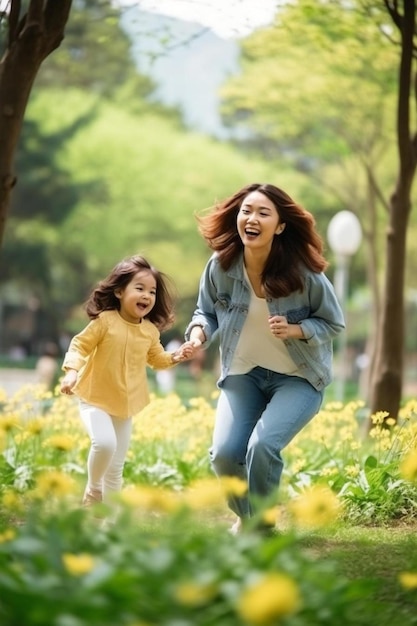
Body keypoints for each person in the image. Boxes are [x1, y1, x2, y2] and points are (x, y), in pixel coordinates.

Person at [185, 183, 345, 533]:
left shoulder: (304, 272)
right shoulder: (221, 267)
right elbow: (205, 312)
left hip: (298, 378)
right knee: (225, 454)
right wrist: (198, 334)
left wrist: (297, 329)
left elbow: (334, 322)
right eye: (246, 211)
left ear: (280, 225)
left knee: (263, 446)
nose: (251, 218)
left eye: (262, 213)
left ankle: (261, 527)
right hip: (244, 375)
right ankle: (252, 519)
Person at [60, 255, 193, 506]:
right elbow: (79, 345)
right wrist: (71, 371)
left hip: (126, 405)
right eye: (139, 288)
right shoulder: (105, 321)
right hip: (94, 398)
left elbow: (156, 360)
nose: (147, 296)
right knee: (104, 443)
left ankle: (112, 521)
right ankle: (92, 488)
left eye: (152, 292)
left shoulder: (150, 331)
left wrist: (176, 356)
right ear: (120, 291)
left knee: (116, 467)